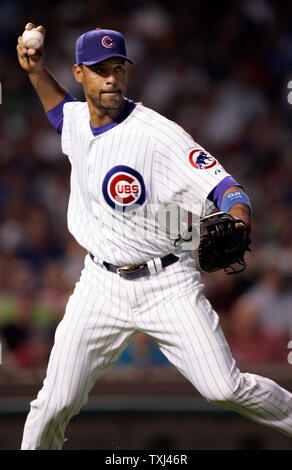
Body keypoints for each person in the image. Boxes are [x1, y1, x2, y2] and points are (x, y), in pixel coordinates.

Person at [17, 22, 292, 450]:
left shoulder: (157, 135)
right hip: (99, 286)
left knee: (224, 388)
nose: (111, 78)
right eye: (99, 69)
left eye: (118, 68)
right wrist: (35, 72)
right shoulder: (76, 120)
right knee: (53, 403)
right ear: (79, 74)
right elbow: (59, 112)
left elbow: (226, 187)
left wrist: (238, 219)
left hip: (167, 284)